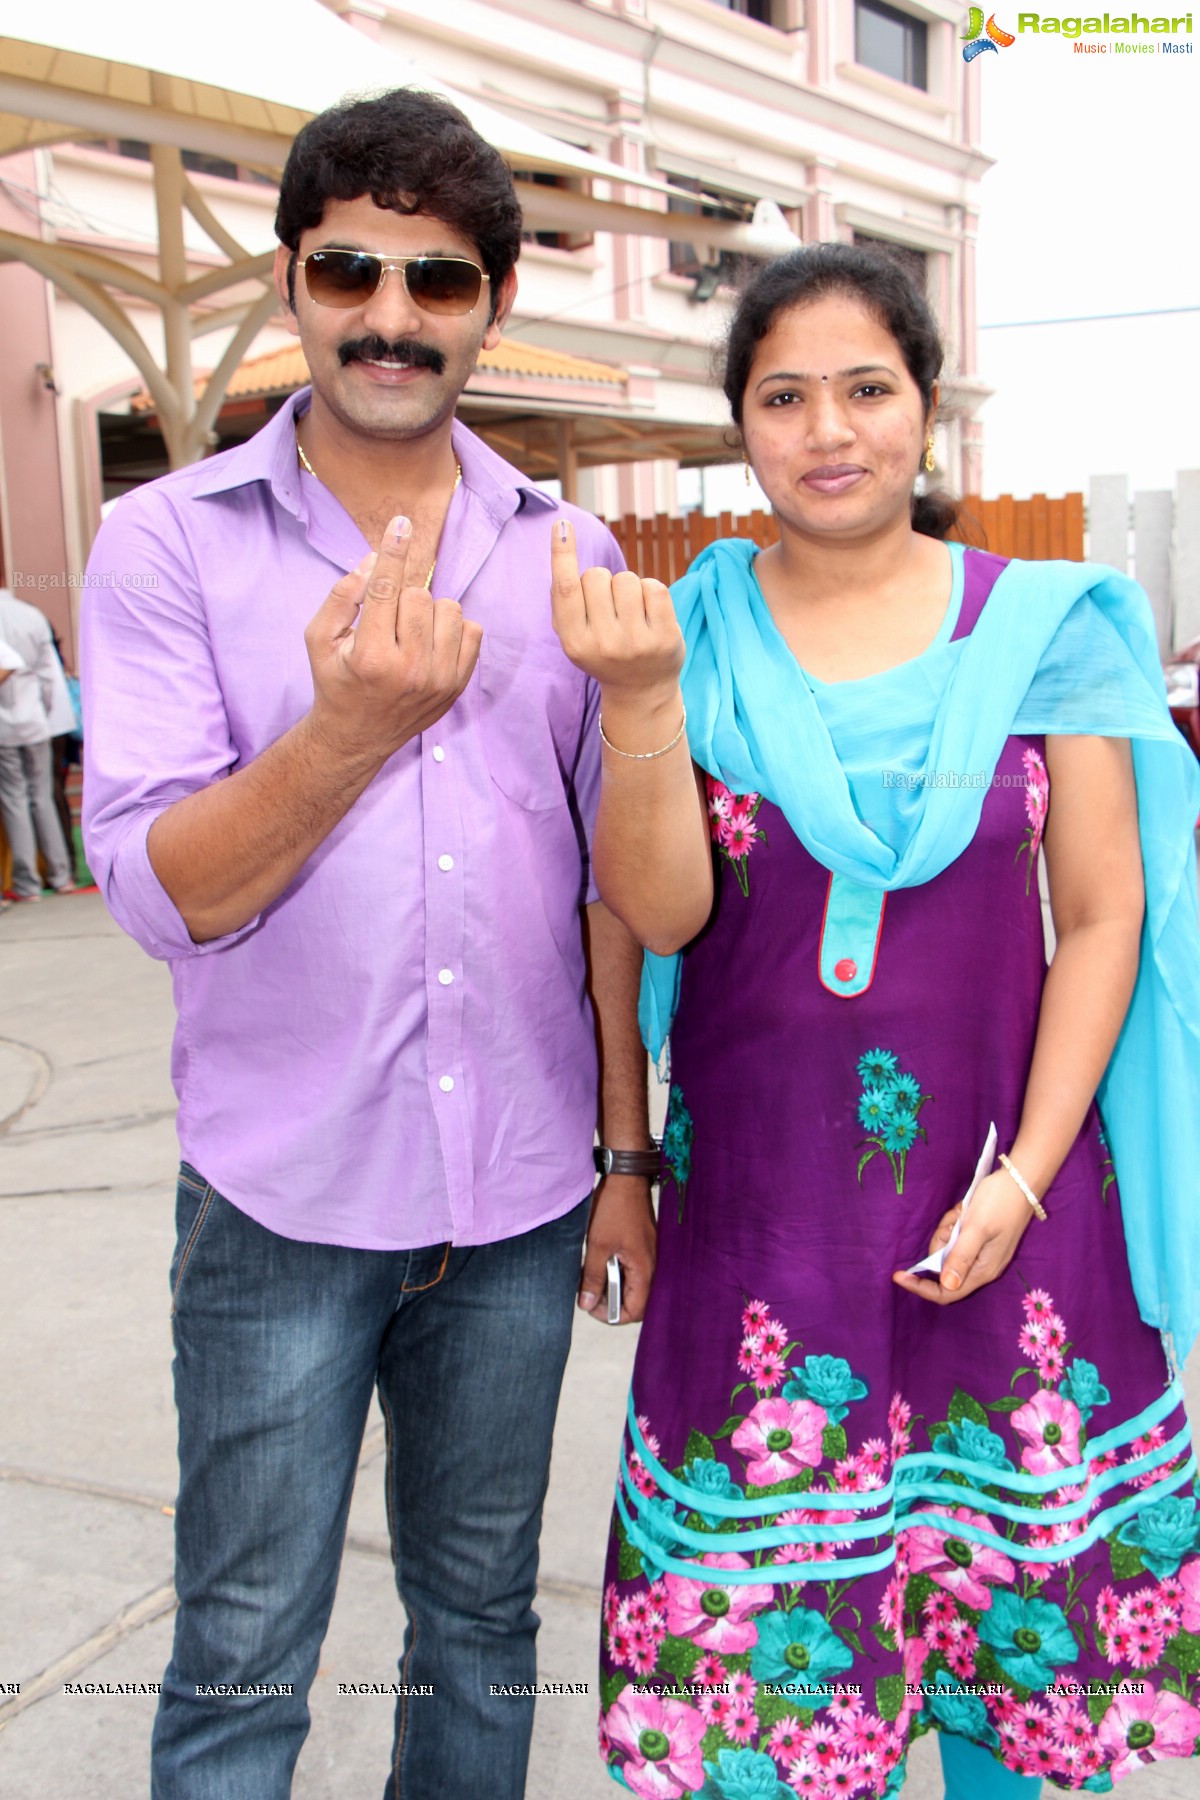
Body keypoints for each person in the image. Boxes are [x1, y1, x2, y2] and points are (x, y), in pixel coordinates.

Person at [549, 243, 1200, 1799]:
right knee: (768, 1718)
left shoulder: (1054, 630)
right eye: (785, 396)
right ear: (740, 426)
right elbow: (637, 916)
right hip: (757, 1222)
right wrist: (625, 1164)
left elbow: (1102, 917)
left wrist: (1029, 1175)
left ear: (927, 413)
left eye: (865, 388)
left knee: (1012, 1693)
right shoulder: (679, 636)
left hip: (1008, 1205)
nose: (828, 428)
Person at [81, 89, 657, 1800]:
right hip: (281, 1200)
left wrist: (627, 1156)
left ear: (494, 304)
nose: (392, 314)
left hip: (523, 1196)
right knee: (248, 1645)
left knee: (482, 1629)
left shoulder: (571, 554)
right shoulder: (165, 542)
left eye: (439, 278)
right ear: (289, 282)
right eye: (350, 267)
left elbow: (610, 900)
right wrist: (343, 731)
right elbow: (157, 892)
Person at [0, 587, 78, 901]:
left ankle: (28, 883)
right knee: (42, 796)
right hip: (36, 717)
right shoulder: (31, 615)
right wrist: (47, 711)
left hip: (5, 724)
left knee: (14, 801)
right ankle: (62, 875)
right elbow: (49, 673)